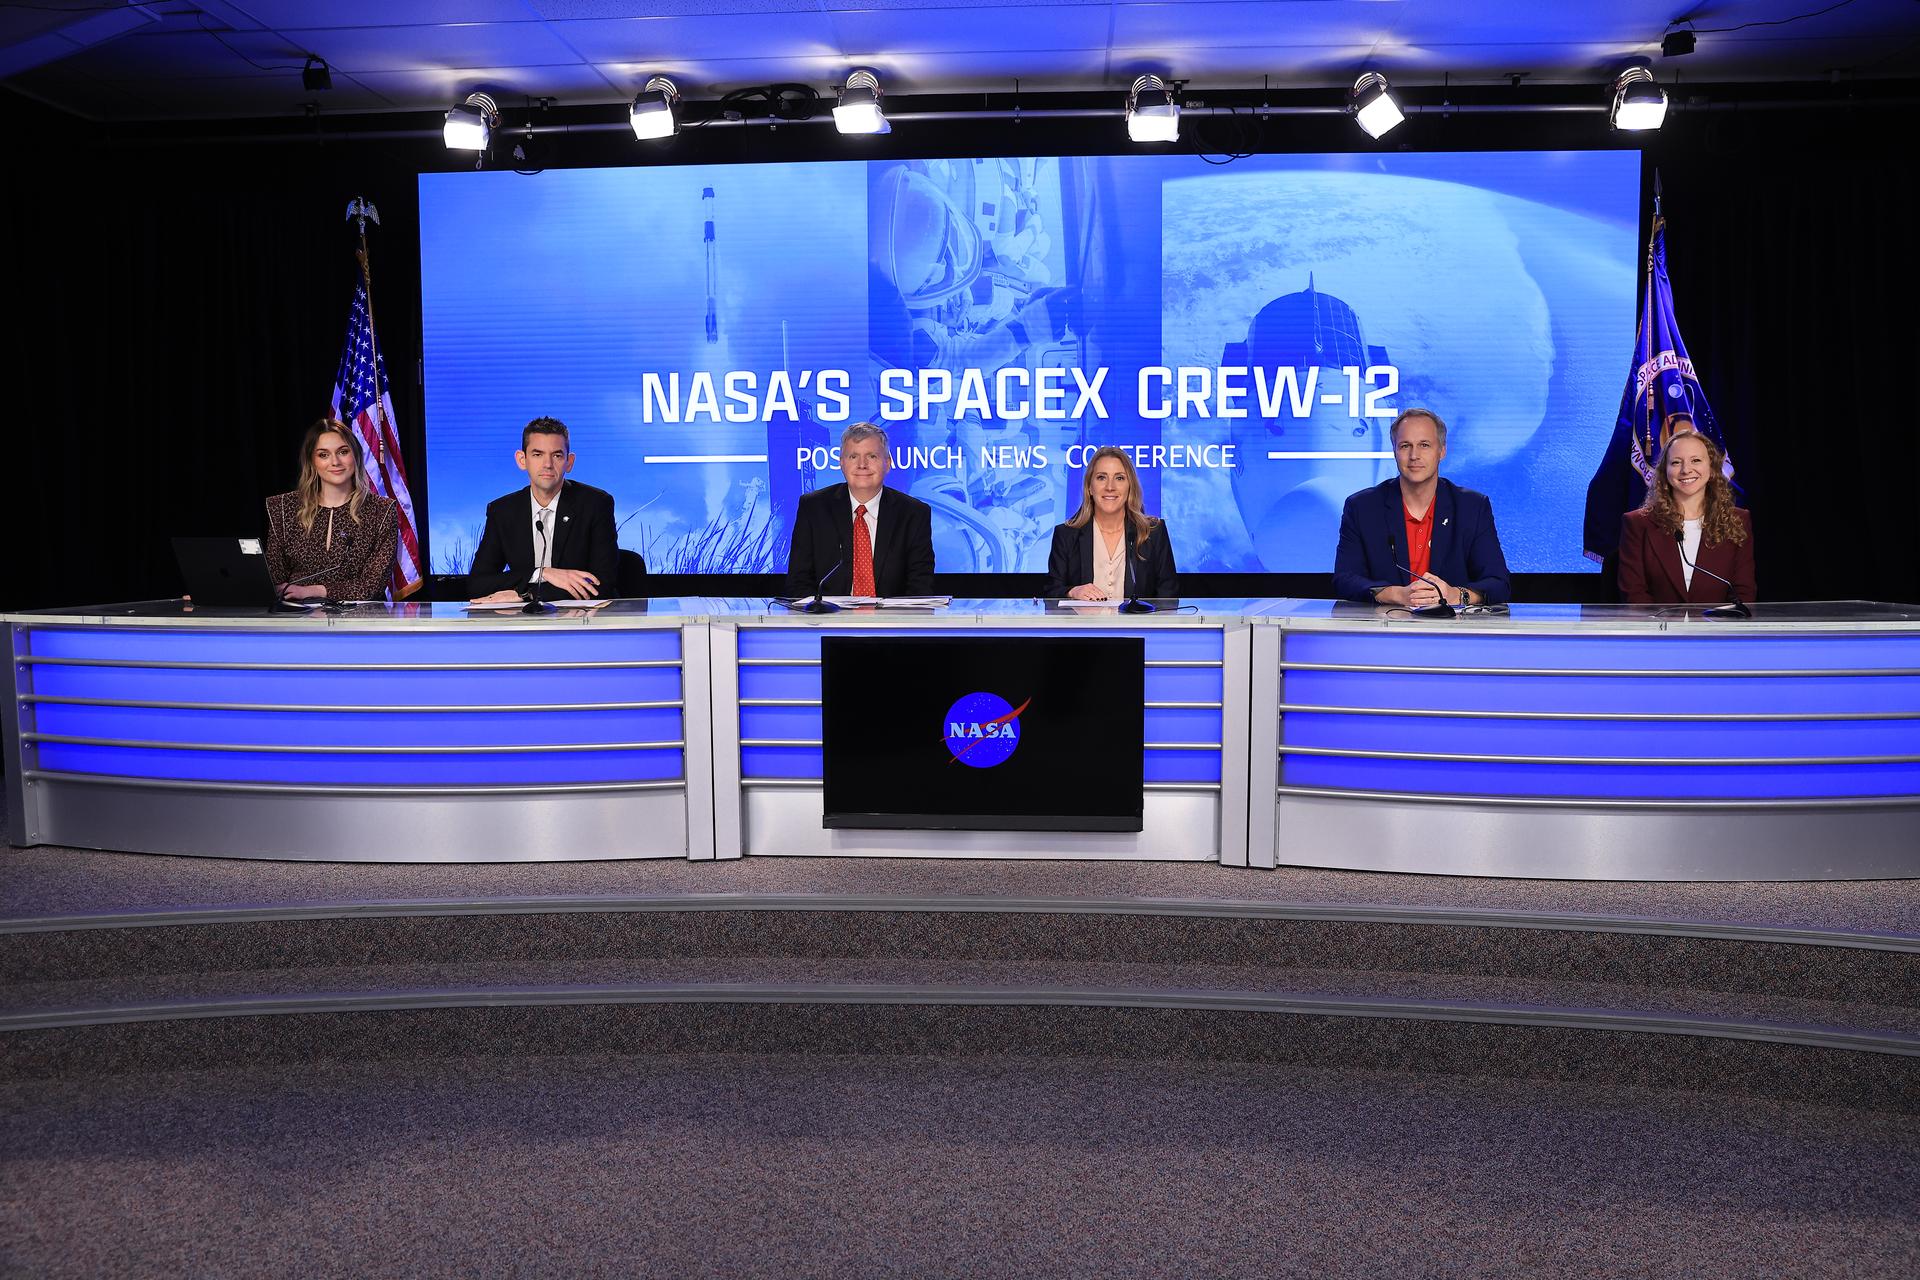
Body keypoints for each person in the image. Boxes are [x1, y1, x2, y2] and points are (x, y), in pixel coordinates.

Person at [1332, 408, 1511, 607]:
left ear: (1442, 451)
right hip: (1385, 631)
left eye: (1424, 445)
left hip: (1454, 632)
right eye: (1405, 446)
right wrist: (1395, 594)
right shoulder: (1362, 507)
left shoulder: (1472, 507)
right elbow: (1344, 580)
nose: (1414, 455)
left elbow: (1499, 584)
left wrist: (1456, 595)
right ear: (1394, 452)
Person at [469, 417, 620, 602]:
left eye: (557, 455)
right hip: (521, 625)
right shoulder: (502, 511)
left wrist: (527, 595)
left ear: (569, 462)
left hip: (582, 623)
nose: (547, 464)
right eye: (537, 454)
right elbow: (477, 584)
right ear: (522, 460)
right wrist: (542, 573)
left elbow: (601, 585)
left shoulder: (596, 504)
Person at [785, 422, 936, 598]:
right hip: (827, 622)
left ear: (887, 463)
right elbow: (797, 583)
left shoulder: (914, 513)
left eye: (872, 456)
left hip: (893, 622)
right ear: (841, 463)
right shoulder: (813, 508)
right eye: (853, 457)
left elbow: (921, 588)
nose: (862, 465)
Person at [265, 417, 399, 602]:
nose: (335, 462)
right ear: (312, 462)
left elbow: (371, 586)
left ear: (356, 456)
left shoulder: (381, 511)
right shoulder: (283, 508)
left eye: (343, 452)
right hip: (296, 618)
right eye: (323, 455)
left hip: (358, 621)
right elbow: (275, 579)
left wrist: (314, 591)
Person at [1617, 427, 1754, 605]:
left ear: (1712, 468)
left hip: (1717, 630)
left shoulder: (1738, 520)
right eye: (1675, 462)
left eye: (1696, 460)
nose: (1686, 470)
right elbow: (1633, 595)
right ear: (1664, 471)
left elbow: (1744, 593)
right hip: (1658, 630)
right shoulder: (1637, 523)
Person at [1044, 446, 1178, 599]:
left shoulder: (1153, 532)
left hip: (1138, 623)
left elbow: (1169, 595)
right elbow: (1051, 591)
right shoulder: (1066, 534)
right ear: (1089, 487)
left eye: (1119, 478)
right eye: (1101, 477)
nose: (1110, 487)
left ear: (1130, 486)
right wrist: (1072, 591)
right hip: (1084, 623)